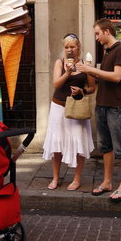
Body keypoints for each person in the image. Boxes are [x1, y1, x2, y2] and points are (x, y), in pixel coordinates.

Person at [77, 19, 121, 202]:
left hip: (117, 106)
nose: (96, 38)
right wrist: (85, 79)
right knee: (106, 147)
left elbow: (117, 77)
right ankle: (107, 182)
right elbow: (105, 79)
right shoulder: (107, 52)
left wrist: (91, 69)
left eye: (97, 34)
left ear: (107, 31)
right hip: (102, 105)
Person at [42, 33, 96, 190]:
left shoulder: (85, 64)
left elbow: (92, 87)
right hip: (58, 107)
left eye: (72, 46)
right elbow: (56, 85)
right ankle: (56, 177)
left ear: (78, 47)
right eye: (66, 47)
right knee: (57, 143)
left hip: (77, 109)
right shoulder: (60, 62)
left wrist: (82, 91)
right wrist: (67, 72)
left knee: (78, 142)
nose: (69, 50)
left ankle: (77, 179)